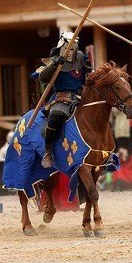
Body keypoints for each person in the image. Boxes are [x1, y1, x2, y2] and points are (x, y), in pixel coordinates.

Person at [38, 31, 92, 168]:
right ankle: (48, 151)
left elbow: (89, 76)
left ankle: (101, 152)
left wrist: (90, 70)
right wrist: (55, 64)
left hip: (81, 96)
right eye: (69, 45)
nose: (71, 48)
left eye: (74, 45)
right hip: (62, 98)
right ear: (63, 44)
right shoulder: (54, 58)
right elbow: (43, 78)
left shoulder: (81, 57)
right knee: (56, 117)